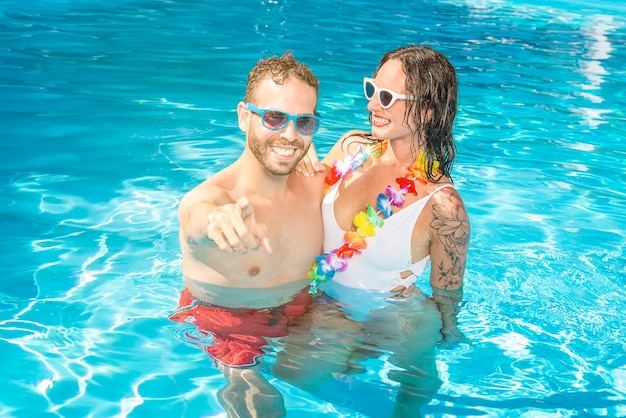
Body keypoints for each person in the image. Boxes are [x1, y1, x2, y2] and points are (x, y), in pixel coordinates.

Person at [298, 45, 470, 416]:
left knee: (406, 402)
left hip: (393, 317)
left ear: (426, 111)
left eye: (388, 97)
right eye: (371, 90)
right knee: (292, 378)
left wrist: (448, 335)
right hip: (328, 304)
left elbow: (447, 295)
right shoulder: (351, 148)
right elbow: (299, 204)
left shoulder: (443, 208)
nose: (373, 105)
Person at [169, 51, 327, 418]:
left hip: (303, 316)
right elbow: (196, 221)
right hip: (227, 327)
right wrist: (215, 222)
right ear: (244, 116)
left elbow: (370, 149)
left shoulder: (317, 184)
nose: (289, 134)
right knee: (263, 405)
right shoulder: (212, 199)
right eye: (274, 118)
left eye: (304, 122)